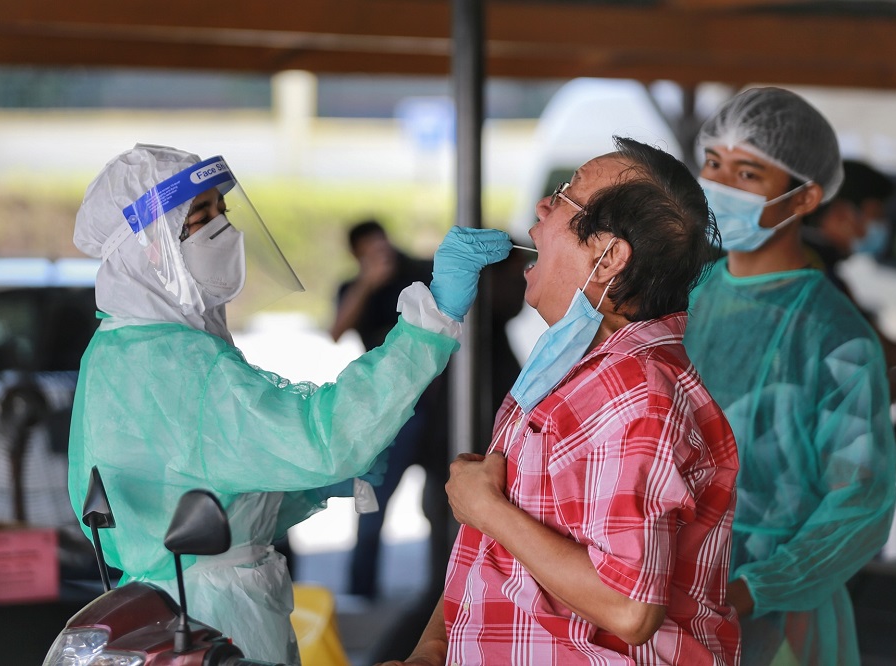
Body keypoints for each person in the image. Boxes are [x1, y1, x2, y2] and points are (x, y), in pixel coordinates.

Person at [67, 144, 511, 665]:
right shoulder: (173, 360)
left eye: (223, 211)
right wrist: (432, 317)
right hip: (212, 619)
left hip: (179, 607)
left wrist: (311, 484)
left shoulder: (126, 347)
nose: (223, 229)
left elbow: (204, 489)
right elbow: (324, 439)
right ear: (147, 246)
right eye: (201, 215)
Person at [381, 136, 741, 665]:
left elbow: (629, 608)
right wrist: (432, 650)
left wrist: (487, 509)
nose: (542, 209)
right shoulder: (569, 371)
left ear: (609, 256)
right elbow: (499, 556)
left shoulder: (638, 391)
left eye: (564, 196)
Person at [685, 88, 896, 665]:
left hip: (781, 624)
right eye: (714, 165)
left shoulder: (836, 336)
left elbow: (861, 502)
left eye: (748, 172)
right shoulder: (685, 297)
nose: (721, 186)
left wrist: (750, 590)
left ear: (803, 199)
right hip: (666, 606)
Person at [329, 219, 447, 600]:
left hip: (431, 407)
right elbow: (335, 330)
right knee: (372, 503)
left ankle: (442, 591)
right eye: (370, 249)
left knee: (442, 504)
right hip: (385, 412)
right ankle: (361, 591)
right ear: (357, 255)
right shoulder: (354, 288)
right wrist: (367, 282)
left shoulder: (414, 274)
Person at [803, 159, 896, 398]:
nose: (881, 226)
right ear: (842, 216)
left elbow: (881, 349)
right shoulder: (809, 269)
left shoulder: (820, 268)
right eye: (876, 215)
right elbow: (881, 350)